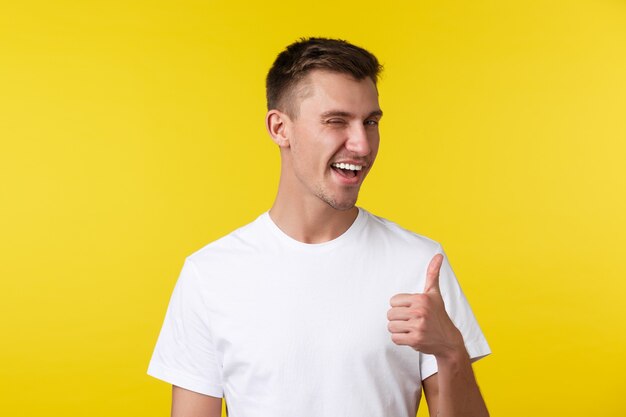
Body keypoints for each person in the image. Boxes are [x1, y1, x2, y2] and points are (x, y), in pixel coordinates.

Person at [147, 37, 491, 417]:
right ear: (280, 128)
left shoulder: (420, 265)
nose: (361, 144)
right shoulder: (210, 274)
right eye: (336, 121)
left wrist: (452, 350)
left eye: (371, 122)